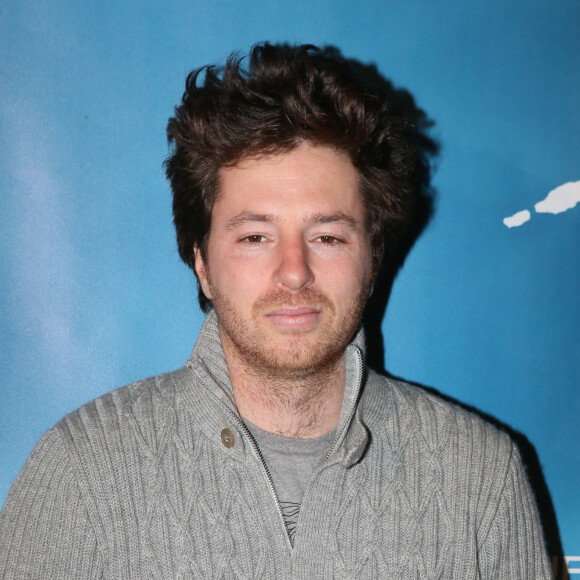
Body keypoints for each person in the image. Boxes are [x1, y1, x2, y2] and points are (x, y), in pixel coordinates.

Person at [0, 43, 551, 579]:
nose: (294, 271)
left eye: (329, 237)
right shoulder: (82, 471)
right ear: (202, 262)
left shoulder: (479, 477)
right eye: (256, 237)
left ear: (372, 259)